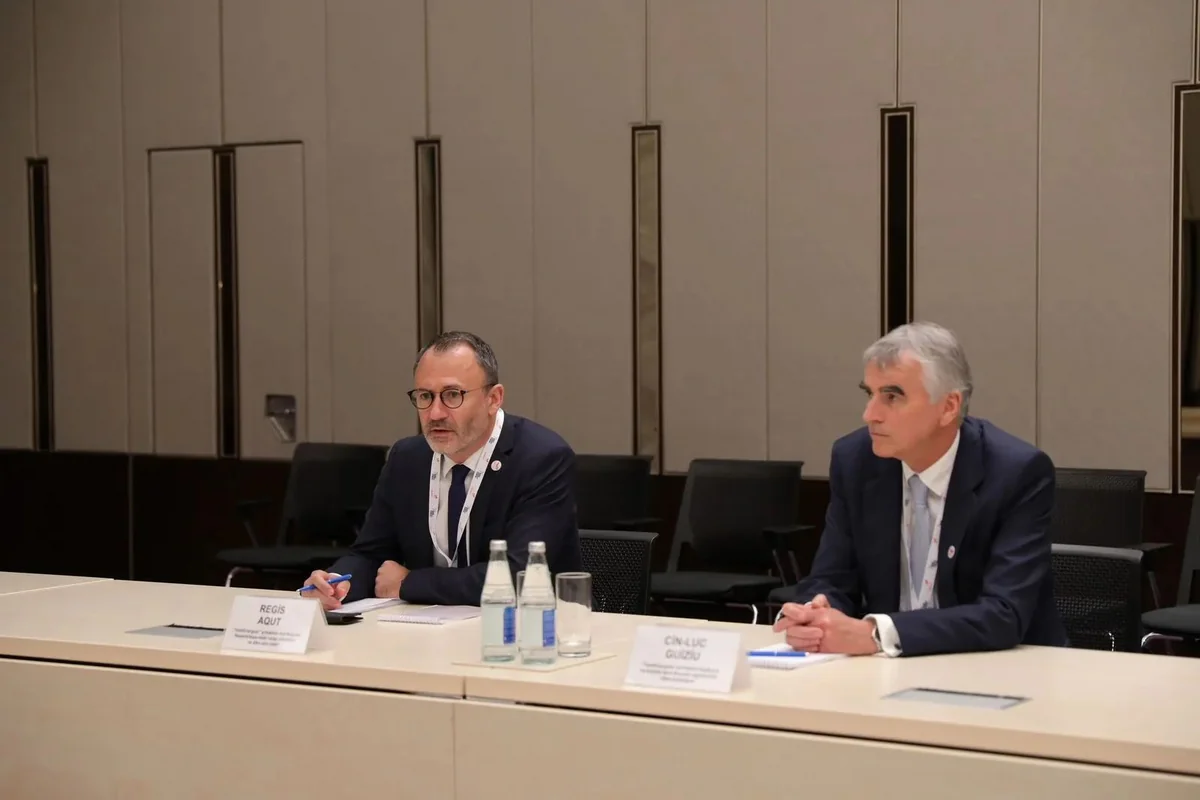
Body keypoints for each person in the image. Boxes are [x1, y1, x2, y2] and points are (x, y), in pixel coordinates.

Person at [773, 322, 1067, 657]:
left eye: (892, 397)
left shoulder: (1016, 472)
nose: (869, 414)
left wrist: (876, 634)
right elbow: (832, 578)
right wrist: (815, 613)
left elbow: (1003, 614)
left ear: (948, 407)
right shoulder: (855, 461)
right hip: (889, 667)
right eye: (869, 394)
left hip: (1005, 666)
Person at [302, 331, 582, 608]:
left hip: (526, 625)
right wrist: (337, 583)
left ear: (494, 399)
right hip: (426, 626)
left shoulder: (540, 458)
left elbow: (520, 575)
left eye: (452, 395)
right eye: (425, 396)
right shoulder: (408, 459)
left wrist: (409, 583)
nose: (435, 413)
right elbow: (370, 554)